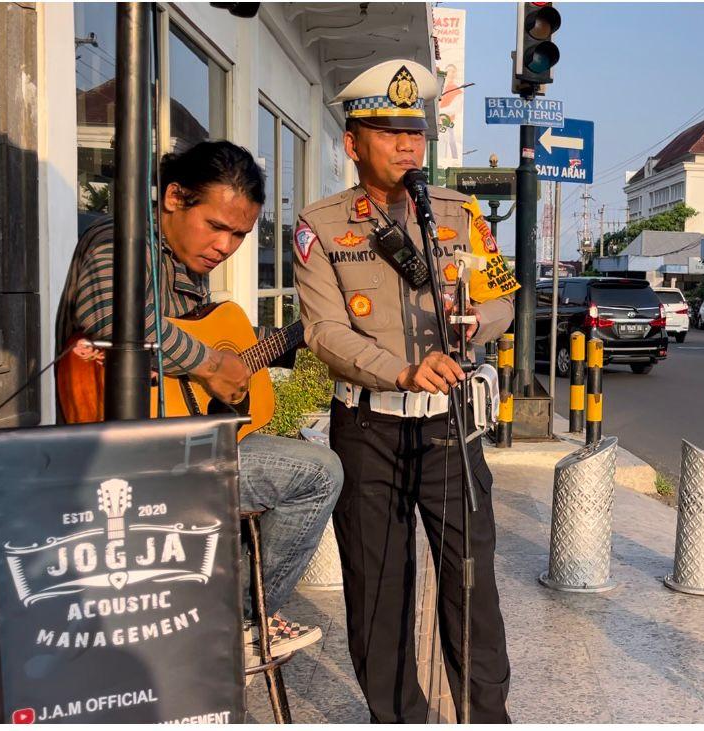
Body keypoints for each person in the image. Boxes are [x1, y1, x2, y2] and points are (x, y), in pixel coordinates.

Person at [292, 59, 517, 723]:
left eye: (413, 132)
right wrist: (398, 370)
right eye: (387, 132)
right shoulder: (320, 224)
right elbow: (324, 330)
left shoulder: (460, 214)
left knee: (470, 584)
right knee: (380, 589)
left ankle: (484, 714)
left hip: (450, 427)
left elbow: (502, 297)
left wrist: (483, 320)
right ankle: (399, 716)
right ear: (352, 143)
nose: (405, 144)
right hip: (368, 430)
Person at [56, 140, 343, 660]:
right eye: (216, 225)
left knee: (299, 456)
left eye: (239, 234)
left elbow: (207, 349)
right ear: (173, 198)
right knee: (318, 472)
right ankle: (236, 624)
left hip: (178, 444)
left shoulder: (185, 270)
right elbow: (111, 318)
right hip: (126, 460)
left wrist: (263, 353)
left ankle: (217, 616)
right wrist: (212, 365)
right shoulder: (117, 241)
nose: (225, 246)